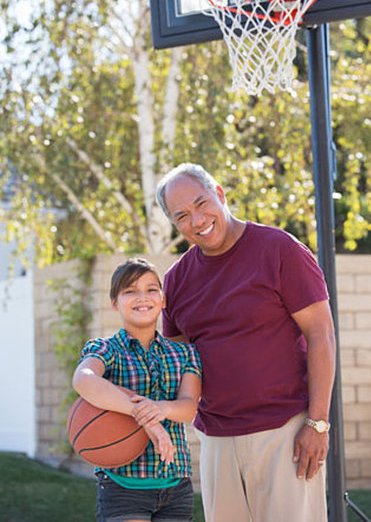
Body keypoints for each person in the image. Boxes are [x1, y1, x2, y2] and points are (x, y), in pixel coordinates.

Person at [156, 163, 336, 522]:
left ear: (220, 194)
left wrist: (317, 423)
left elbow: (322, 335)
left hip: (284, 432)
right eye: (182, 216)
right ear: (176, 226)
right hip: (216, 439)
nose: (197, 220)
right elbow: (176, 363)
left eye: (202, 203)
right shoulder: (176, 281)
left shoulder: (279, 249)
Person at [72, 257, 202, 522]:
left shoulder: (184, 353)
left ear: (163, 300)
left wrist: (157, 409)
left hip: (176, 484)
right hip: (123, 486)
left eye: (151, 289)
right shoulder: (106, 349)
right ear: (114, 303)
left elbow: (190, 408)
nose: (142, 297)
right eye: (130, 291)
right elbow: (84, 380)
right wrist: (143, 417)